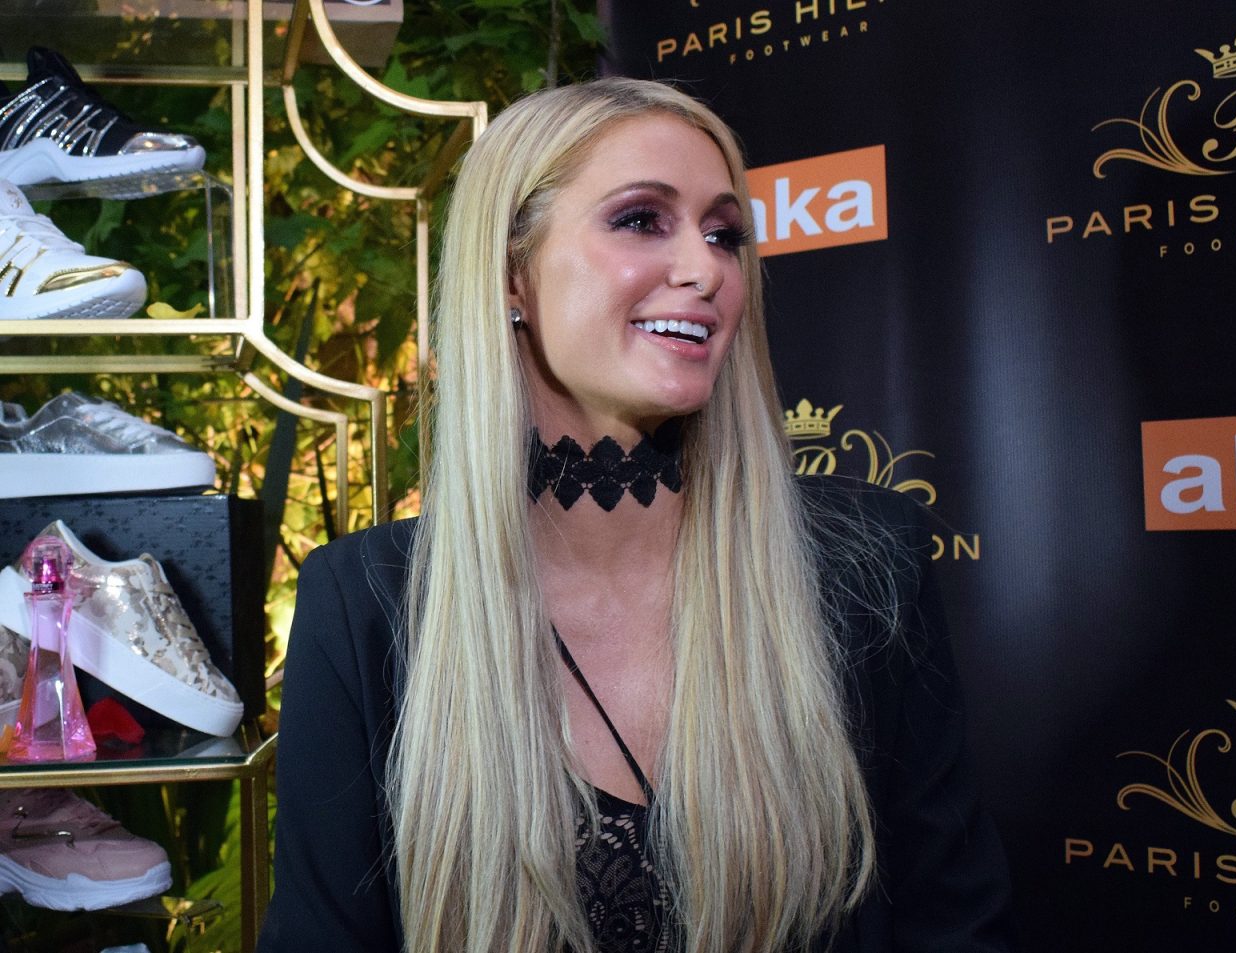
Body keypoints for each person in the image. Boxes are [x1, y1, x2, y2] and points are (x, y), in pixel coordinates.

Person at [259, 78, 1013, 953]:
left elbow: (957, 926)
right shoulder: (364, 603)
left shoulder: (866, 561)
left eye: (724, 234)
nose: (706, 270)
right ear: (511, 274)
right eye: (642, 220)